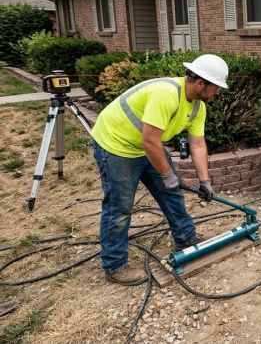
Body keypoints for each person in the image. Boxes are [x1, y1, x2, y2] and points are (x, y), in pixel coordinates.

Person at [91, 54, 228, 285]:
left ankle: (186, 237)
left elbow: (197, 144)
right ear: (201, 83)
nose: (217, 93)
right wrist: (167, 174)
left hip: (147, 144)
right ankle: (114, 265)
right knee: (120, 206)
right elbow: (150, 142)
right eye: (216, 87)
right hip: (116, 144)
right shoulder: (166, 94)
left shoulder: (197, 107)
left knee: (171, 191)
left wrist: (205, 181)